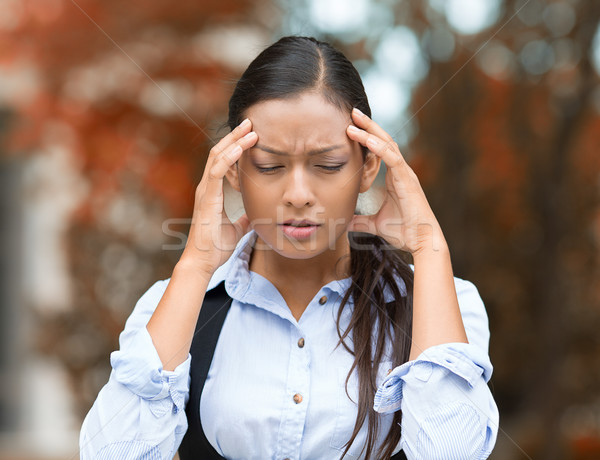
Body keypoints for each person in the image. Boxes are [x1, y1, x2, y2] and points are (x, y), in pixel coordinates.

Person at [79, 36, 499, 459]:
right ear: (234, 170)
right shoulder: (172, 308)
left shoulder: (445, 304)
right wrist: (194, 267)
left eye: (328, 165)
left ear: (368, 167)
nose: (298, 194)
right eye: (269, 166)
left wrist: (428, 249)